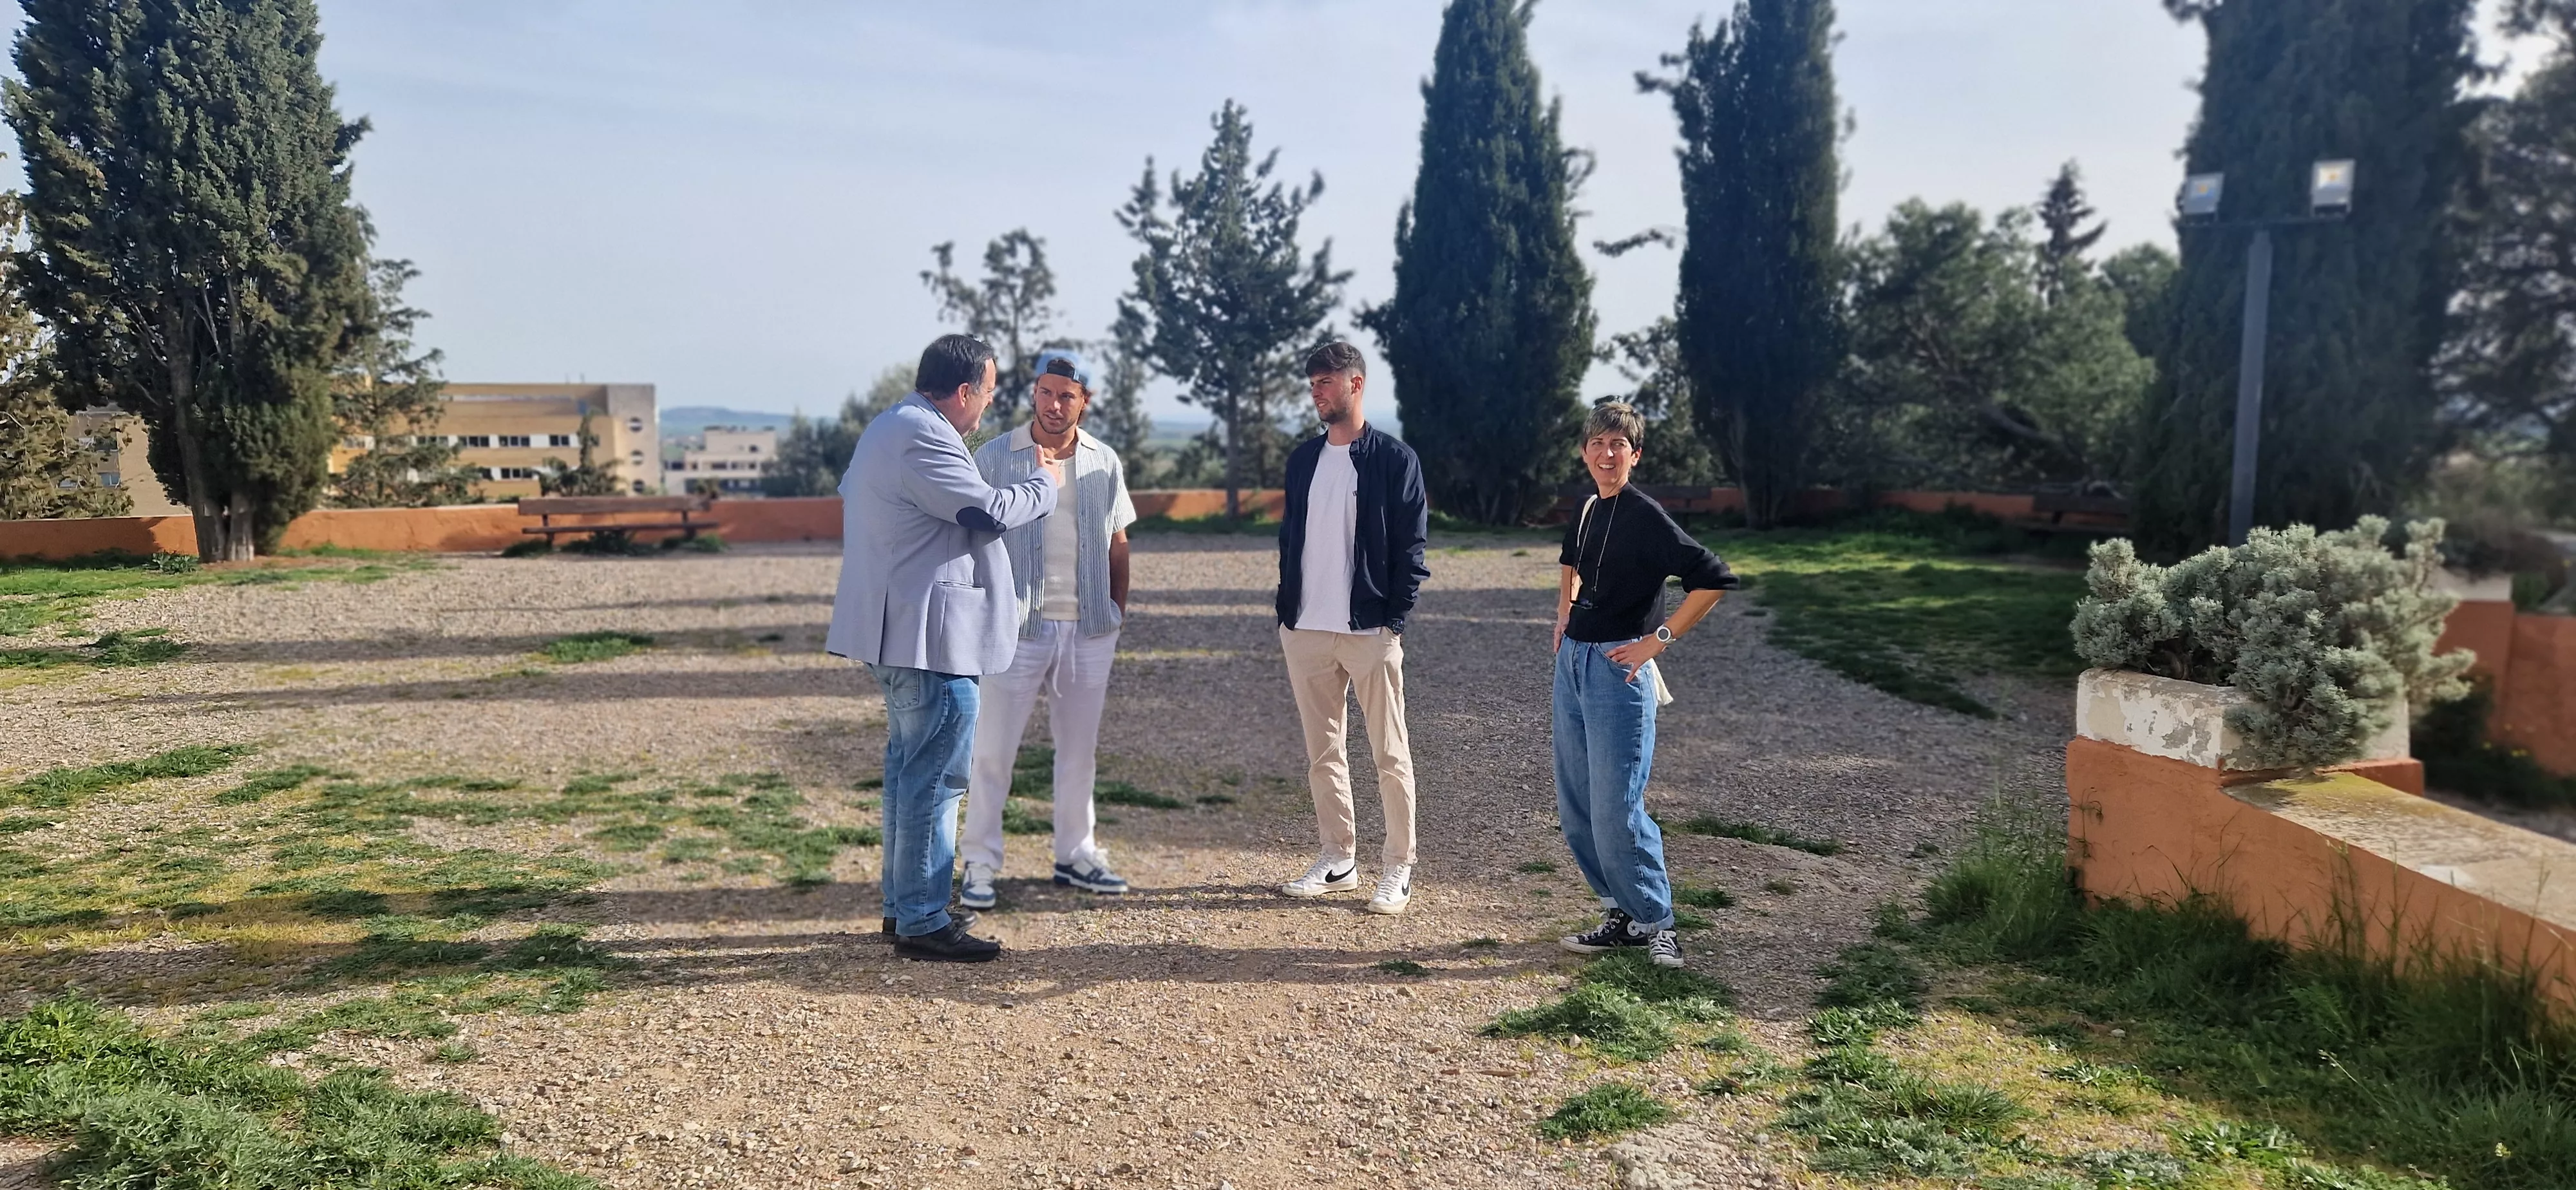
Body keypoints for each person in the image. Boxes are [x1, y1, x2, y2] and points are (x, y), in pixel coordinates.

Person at [825, 334, 1060, 963]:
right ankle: (924, 919)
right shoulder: (924, 434)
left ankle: (905, 907)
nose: (985, 407)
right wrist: (1044, 488)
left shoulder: (888, 426)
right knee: (935, 780)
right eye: (985, 393)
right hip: (928, 641)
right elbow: (982, 511)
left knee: (910, 775)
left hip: (899, 632)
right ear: (963, 391)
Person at [1551, 402, 1739, 969]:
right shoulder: (1588, 508)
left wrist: (1659, 638)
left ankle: (1659, 924)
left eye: (1619, 446)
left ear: (1636, 454)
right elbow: (1569, 563)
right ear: (1585, 451)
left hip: (1619, 670)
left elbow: (1713, 578)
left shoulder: (1646, 515)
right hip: (1574, 664)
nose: (1608, 455)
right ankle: (1622, 914)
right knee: (1578, 804)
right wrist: (1564, 615)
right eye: (1598, 444)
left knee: (1618, 808)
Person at [958, 349, 1140, 908]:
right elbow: (968, 539)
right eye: (1046, 392)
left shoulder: (1104, 462)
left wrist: (1115, 613)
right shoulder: (993, 457)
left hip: (1088, 629)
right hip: (1014, 630)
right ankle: (981, 864)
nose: (1055, 404)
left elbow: (1118, 542)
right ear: (1034, 394)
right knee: (992, 751)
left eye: (1067, 395)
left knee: (1079, 751)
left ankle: (1075, 855)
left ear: (1084, 401)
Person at [1273, 341, 1431, 914]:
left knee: (1391, 753)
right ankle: (1338, 857)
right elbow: (1292, 539)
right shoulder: (1303, 461)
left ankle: (1399, 867)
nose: (1316, 391)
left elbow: (1413, 547)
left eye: (1326, 381)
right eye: (1312, 382)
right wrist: (1287, 610)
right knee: (1324, 752)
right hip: (1306, 629)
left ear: (1356, 385)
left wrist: (1394, 619)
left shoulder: (1395, 460)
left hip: (1370, 630)